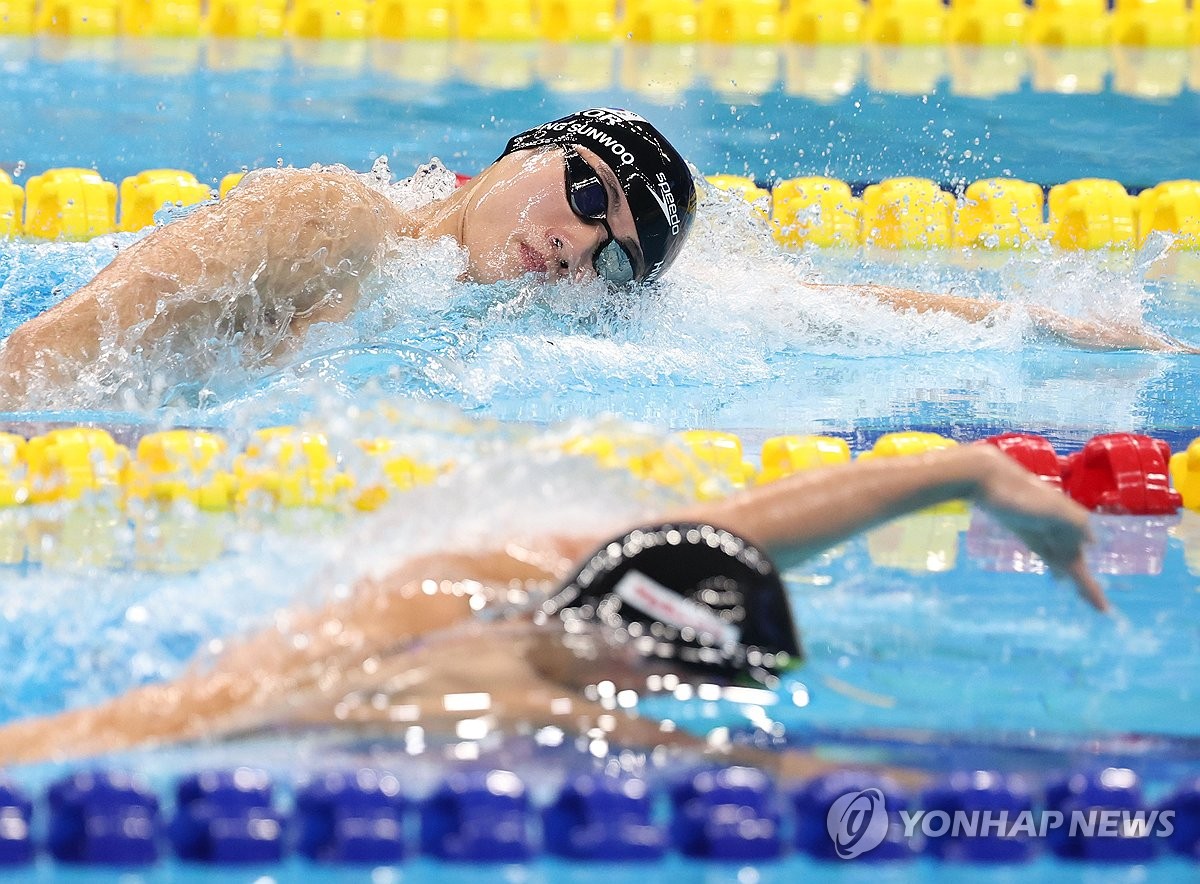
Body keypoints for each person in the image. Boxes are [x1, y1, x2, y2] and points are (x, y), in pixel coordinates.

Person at [0, 442, 1105, 778]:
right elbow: (655, 737)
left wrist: (963, 472)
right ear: (625, 650)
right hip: (231, 706)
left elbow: (740, 528)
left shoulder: (543, 569)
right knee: (158, 719)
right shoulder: (493, 678)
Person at [0, 108, 1193, 404]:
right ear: (529, 148)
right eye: (586, 188)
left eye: (610, 252)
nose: (573, 239)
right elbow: (81, 333)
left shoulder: (475, 305)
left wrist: (1028, 321)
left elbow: (787, 301)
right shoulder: (333, 219)